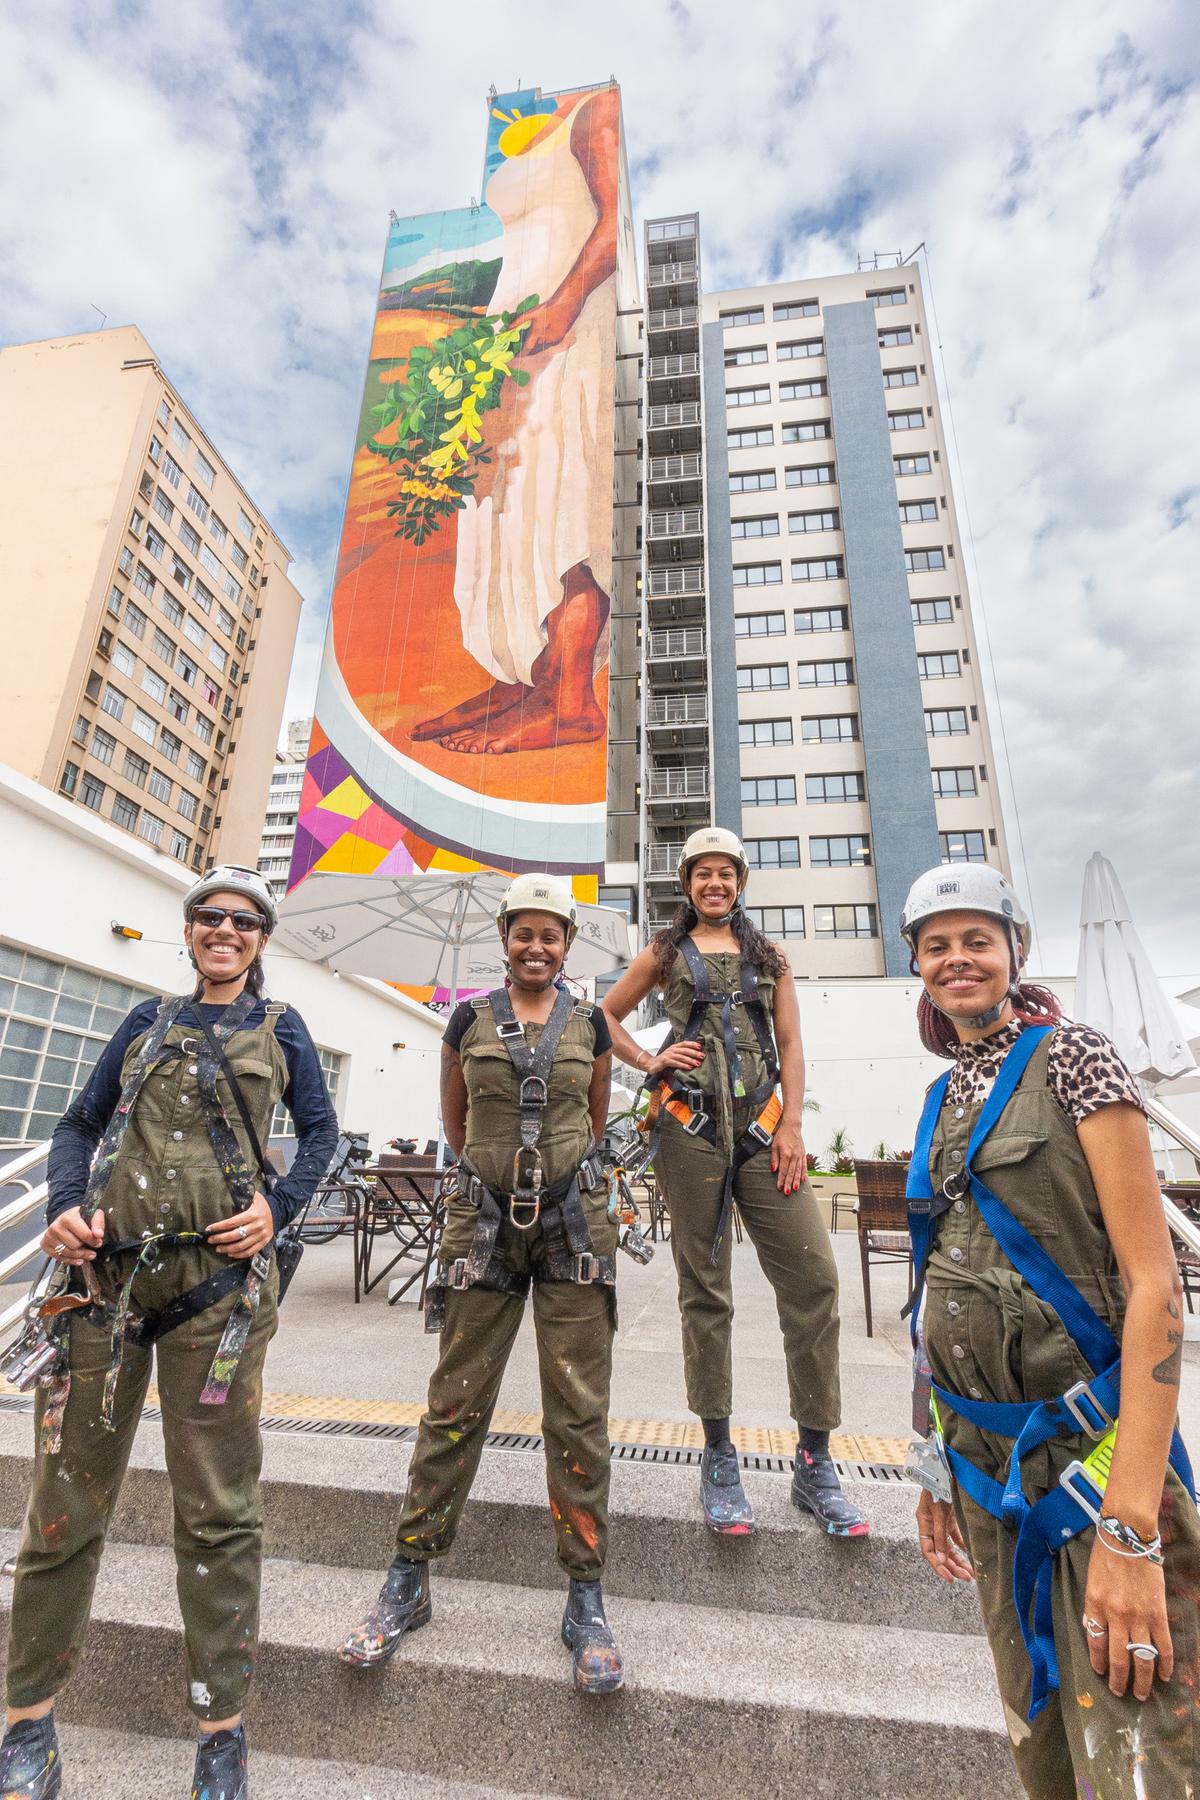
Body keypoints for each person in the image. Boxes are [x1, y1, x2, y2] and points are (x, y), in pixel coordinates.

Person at [0, 865, 338, 1800]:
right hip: (104, 1287)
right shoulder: (144, 1025)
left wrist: (280, 1207)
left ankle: (220, 1732)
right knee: (62, 1510)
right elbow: (77, 1124)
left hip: (219, 1300)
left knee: (219, 1512)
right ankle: (27, 1721)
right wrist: (66, 1208)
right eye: (209, 917)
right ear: (189, 932)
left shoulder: (284, 1030)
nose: (224, 930)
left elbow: (323, 1136)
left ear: (262, 940)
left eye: (242, 921)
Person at [900, 863, 1200, 1798]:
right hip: (987, 1476)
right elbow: (932, 1292)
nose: (959, 960)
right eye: (937, 945)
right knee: (1046, 1755)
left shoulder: (1074, 1055)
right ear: (916, 964)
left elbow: (1158, 1290)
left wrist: (1133, 1531)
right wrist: (931, 1464)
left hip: (1093, 1467)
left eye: (977, 940)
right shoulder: (944, 1094)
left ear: (1015, 951)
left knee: (1141, 1762)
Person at [338, 873, 623, 1691]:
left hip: (574, 1226)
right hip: (481, 1224)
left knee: (578, 1409)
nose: (538, 946)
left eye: (552, 935)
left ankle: (585, 1593)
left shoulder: (592, 1023)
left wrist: (552, 1175)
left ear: (567, 946)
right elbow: (456, 1122)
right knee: (454, 1403)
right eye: (523, 933)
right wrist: (498, 1178)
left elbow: (594, 1121)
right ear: (503, 939)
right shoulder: (466, 1019)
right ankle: (409, 1575)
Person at [601, 827, 867, 1538]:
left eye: (726, 874)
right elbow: (605, 1018)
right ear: (686, 884)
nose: (714, 884)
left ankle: (815, 1461)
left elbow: (792, 1046)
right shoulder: (662, 954)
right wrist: (650, 1062)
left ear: (740, 882)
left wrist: (792, 1130)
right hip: (688, 1132)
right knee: (705, 1290)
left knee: (815, 1284)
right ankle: (718, 1454)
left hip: (763, 1131)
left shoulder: (769, 956)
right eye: (702, 874)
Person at [412, 85, 620, 755]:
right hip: (511, 333)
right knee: (504, 514)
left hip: (569, 324)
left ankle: (573, 702)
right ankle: (524, 678)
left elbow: (613, 222)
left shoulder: (595, 110)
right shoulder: (531, 124)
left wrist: (562, 304)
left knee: (565, 506)